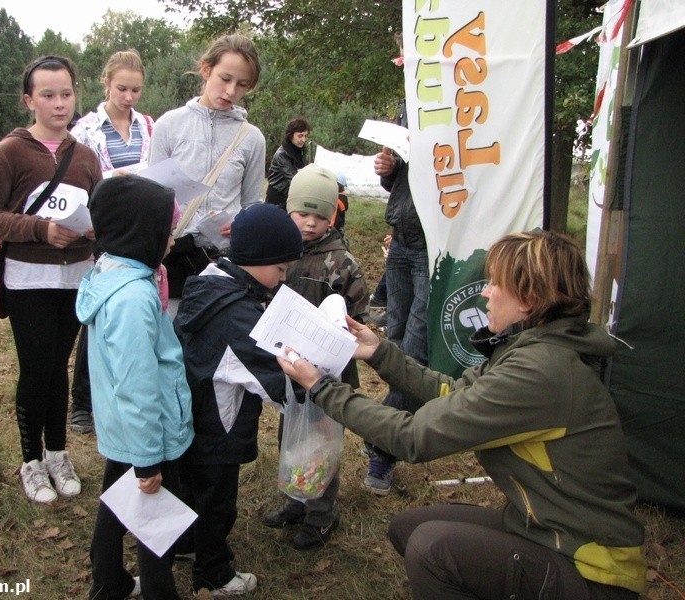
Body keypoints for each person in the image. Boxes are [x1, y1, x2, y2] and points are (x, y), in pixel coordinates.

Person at [279, 230, 647, 600]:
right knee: (408, 527)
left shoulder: (541, 371)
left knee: (431, 548)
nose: (485, 292)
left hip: (591, 571)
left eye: (495, 283)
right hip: (540, 528)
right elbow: (451, 393)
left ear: (530, 300)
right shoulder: (534, 348)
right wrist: (379, 353)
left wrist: (322, 387)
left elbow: (412, 437)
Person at [0, 55, 102, 504]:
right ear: (29, 100)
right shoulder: (10, 151)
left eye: (66, 93)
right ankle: (31, 461)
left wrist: (93, 229)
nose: (59, 103)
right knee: (36, 368)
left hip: (76, 278)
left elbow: (99, 210)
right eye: (48, 95)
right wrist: (40, 230)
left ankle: (58, 452)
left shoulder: (85, 156)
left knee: (60, 366)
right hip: (28, 278)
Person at [174, 203, 303, 596]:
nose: (283, 278)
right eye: (280, 269)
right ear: (254, 260)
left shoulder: (209, 280)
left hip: (189, 414)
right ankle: (213, 573)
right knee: (218, 501)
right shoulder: (239, 315)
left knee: (190, 487)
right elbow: (279, 384)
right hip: (220, 425)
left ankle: (184, 543)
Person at [76, 175, 194, 600]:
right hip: (148, 431)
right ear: (138, 231)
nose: (171, 240)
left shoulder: (112, 272)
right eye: (165, 231)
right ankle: (160, 592)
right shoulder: (133, 300)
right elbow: (138, 384)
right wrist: (148, 460)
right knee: (152, 519)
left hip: (122, 427)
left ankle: (108, 580)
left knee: (116, 499)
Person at [263, 165, 368, 550]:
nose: (309, 223)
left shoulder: (342, 262)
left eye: (319, 216)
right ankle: (295, 501)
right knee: (291, 438)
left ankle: (322, 515)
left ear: (332, 216)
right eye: (301, 214)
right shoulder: (280, 253)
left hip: (331, 375)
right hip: (291, 370)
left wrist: (343, 329)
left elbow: (361, 317)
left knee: (322, 446)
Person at [68, 49, 155, 435]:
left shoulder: (149, 126)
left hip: (141, 229)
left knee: (136, 314)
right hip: (103, 231)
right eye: (122, 88)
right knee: (101, 313)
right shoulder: (85, 129)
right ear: (106, 83)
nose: (129, 97)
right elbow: (72, 179)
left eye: (136, 90)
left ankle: (128, 394)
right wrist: (109, 177)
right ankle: (83, 402)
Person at [151, 33, 266, 305]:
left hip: (224, 261)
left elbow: (251, 203)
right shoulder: (169, 125)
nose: (230, 91)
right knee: (172, 340)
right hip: (174, 256)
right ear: (206, 69)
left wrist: (241, 224)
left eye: (241, 84)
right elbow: (153, 196)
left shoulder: (252, 138)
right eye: (225, 79)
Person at [363, 34, 429, 495]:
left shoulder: (457, 104)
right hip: (403, 243)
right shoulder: (410, 106)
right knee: (401, 337)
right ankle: (389, 429)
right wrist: (389, 173)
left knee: (418, 345)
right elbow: (406, 185)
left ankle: (381, 446)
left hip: (433, 247)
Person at [264, 117, 310, 209]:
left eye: (305, 136)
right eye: (300, 136)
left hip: (289, 196)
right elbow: (294, 178)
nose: (303, 139)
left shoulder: (301, 150)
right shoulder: (282, 154)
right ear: (291, 135)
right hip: (277, 197)